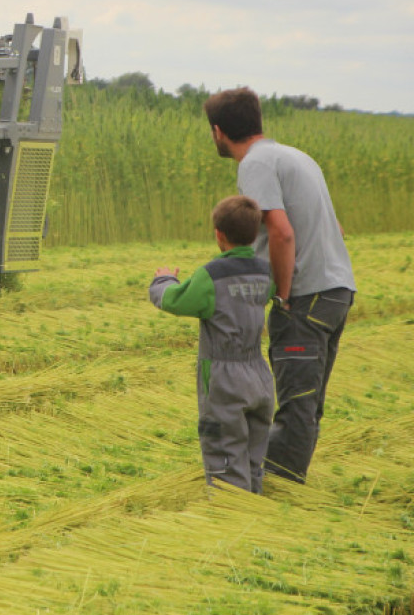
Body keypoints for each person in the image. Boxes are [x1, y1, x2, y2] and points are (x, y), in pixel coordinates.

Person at [204, 87, 356, 483]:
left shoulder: (255, 163)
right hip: (337, 290)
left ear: (218, 132)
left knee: (294, 405)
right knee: (308, 402)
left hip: (306, 294)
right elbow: (335, 227)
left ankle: (278, 489)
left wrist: (283, 296)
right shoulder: (296, 156)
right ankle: (283, 479)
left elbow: (282, 233)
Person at [149, 195, 275, 494]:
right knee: (252, 457)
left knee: (224, 457)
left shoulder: (212, 275)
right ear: (255, 233)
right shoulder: (264, 271)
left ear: (219, 235)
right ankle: (257, 512)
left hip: (223, 380)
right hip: (259, 373)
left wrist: (163, 280)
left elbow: (174, 300)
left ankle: (232, 517)